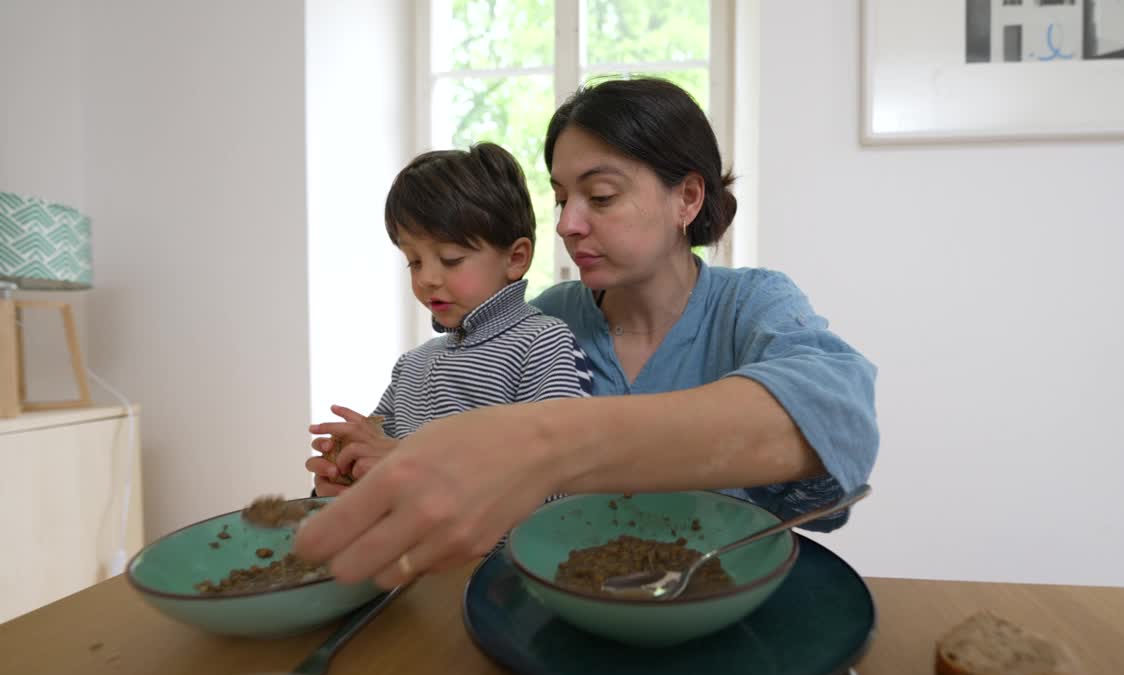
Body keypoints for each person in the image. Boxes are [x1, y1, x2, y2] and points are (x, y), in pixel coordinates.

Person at [296, 78, 878, 590]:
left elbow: (837, 416)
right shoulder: (544, 321)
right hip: (563, 605)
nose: (569, 225)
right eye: (561, 198)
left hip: (723, 599)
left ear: (687, 197)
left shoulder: (752, 304)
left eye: (600, 196)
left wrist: (542, 446)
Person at [307, 143, 593, 490]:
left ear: (516, 258)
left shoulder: (542, 343)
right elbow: (379, 466)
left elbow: (559, 480)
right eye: (414, 261)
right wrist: (342, 477)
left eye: (451, 259)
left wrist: (408, 462)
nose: (426, 277)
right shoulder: (411, 366)